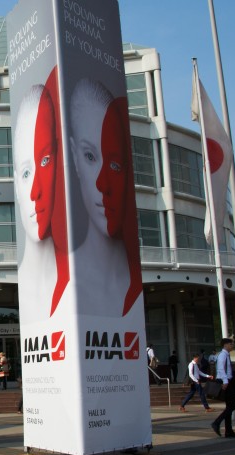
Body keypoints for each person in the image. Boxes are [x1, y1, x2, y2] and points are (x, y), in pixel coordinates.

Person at [68, 78, 143, 318]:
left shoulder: (133, 287)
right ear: (74, 156)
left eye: (114, 164)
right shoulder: (66, 285)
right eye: (90, 156)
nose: (103, 184)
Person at [13, 69, 69, 322]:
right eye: (26, 173)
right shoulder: (24, 296)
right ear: (16, 185)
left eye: (45, 161)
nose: (36, 191)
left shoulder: (74, 286)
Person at [211, 338, 235, 438]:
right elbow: (221, 368)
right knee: (233, 405)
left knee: (229, 405)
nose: (232, 346)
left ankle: (228, 431)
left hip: (227, 381)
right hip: (225, 382)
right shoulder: (223, 355)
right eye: (231, 344)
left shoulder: (225, 355)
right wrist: (225, 381)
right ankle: (216, 423)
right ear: (225, 345)